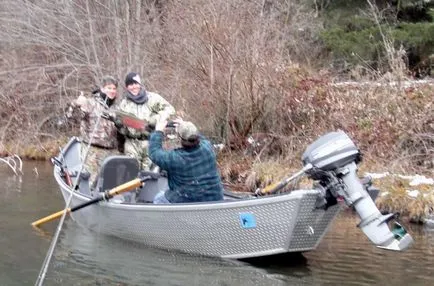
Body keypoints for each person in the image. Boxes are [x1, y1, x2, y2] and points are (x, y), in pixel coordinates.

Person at [149, 117, 224, 203]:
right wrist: (185, 126)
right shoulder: (208, 148)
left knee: (158, 198)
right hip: (215, 200)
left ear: (180, 139)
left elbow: (154, 152)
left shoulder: (175, 159)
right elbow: (198, 138)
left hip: (187, 202)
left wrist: (158, 131)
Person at [117, 72, 175, 170]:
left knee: (150, 176)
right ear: (127, 87)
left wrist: (154, 120)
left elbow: (170, 110)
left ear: (140, 84)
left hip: (150, 142)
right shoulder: (124, 104)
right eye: (130, 84)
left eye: (135, 83)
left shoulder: (152, 98)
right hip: (131, 144)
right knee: (131, 176)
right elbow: (123, 129)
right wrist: (119, 125)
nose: (133, 87)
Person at [72, 75, 120, 184]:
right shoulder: (90, 103)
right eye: (109, 88)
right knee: (91, 181)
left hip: (111, 151)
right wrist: (76, 104)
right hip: (92, 150)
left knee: (109, 182)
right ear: (102, 89)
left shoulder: (117, 108)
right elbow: (73, 117)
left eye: (114, 88)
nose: (112, 91)